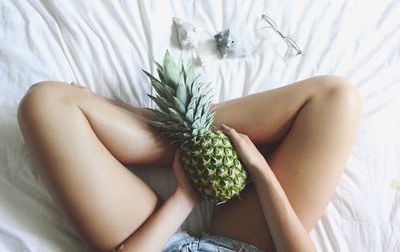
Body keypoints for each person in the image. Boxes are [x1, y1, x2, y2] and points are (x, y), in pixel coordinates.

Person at [17, 75, 362, 252]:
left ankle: (171, 135)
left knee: (44, 102)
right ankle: (168, 132)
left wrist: (185, 196)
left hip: (155, 244)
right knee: (336, 98)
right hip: (249, 243)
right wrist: (259, 169)